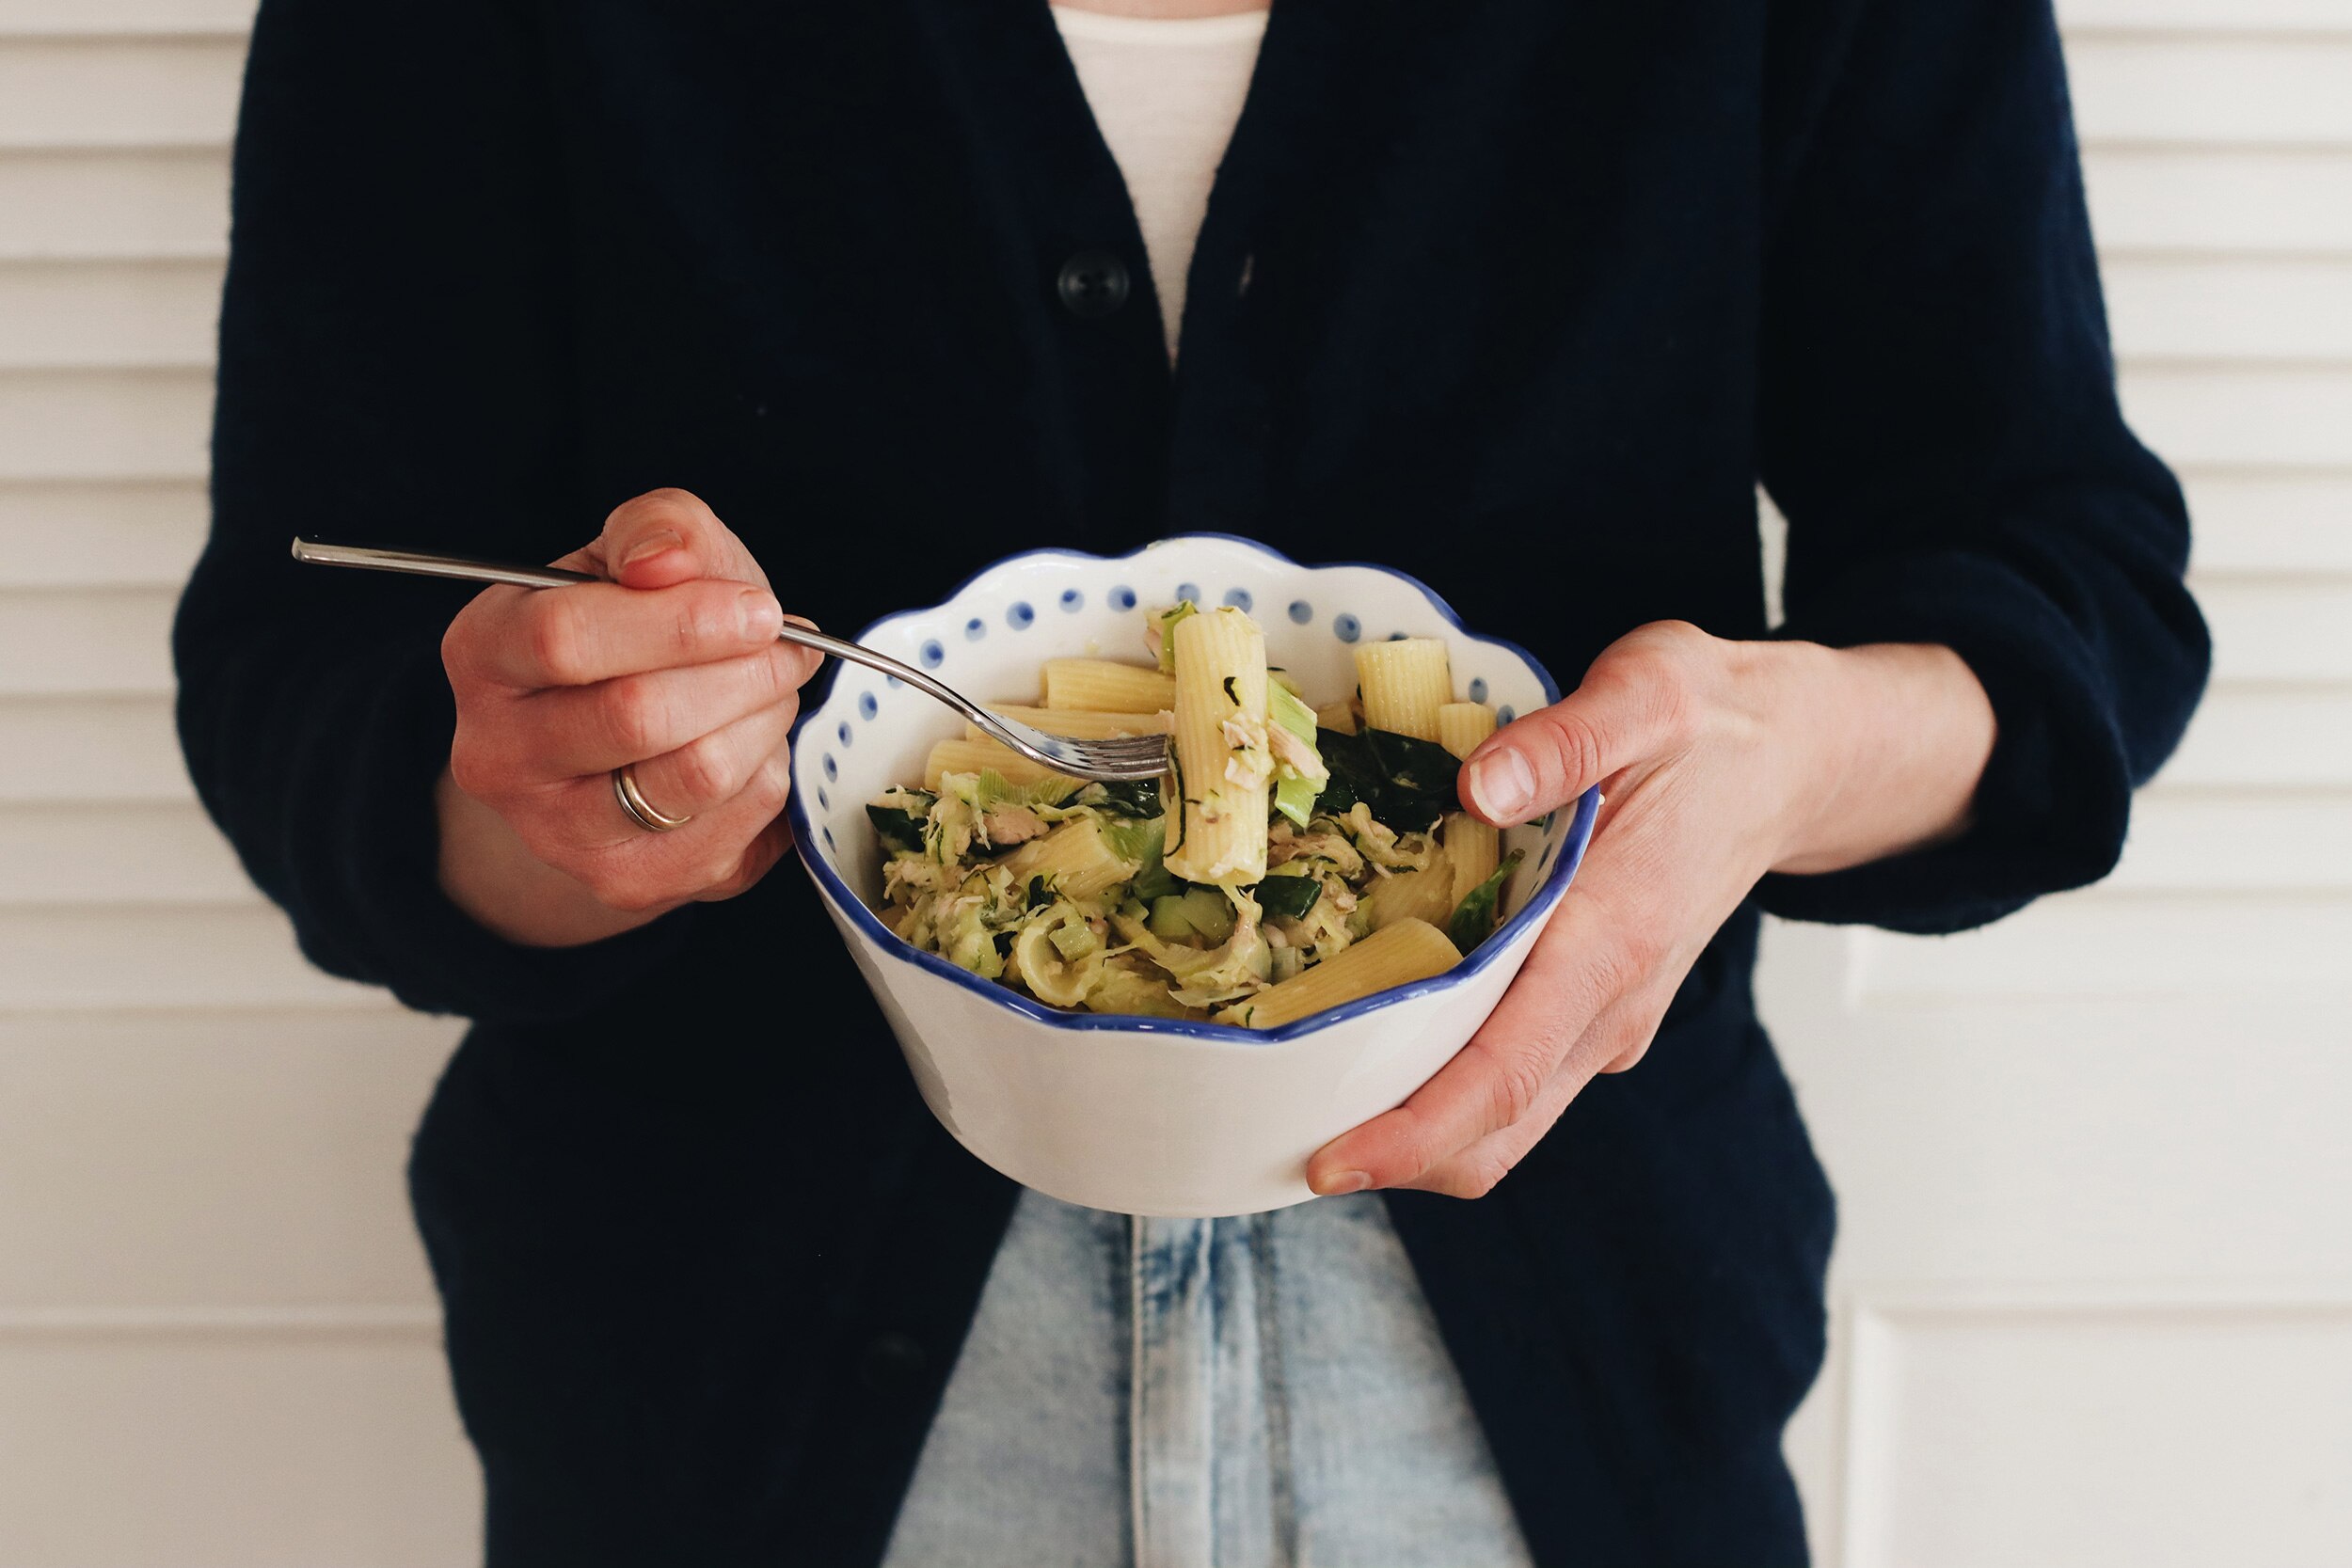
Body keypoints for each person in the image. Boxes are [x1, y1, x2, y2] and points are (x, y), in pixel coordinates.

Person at [174, 0, 2209, 1562]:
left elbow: (2056, 574)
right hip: (734, 1397)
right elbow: (307, 672)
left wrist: (1787, 753)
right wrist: (573, 803)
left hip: (1557, 1396)